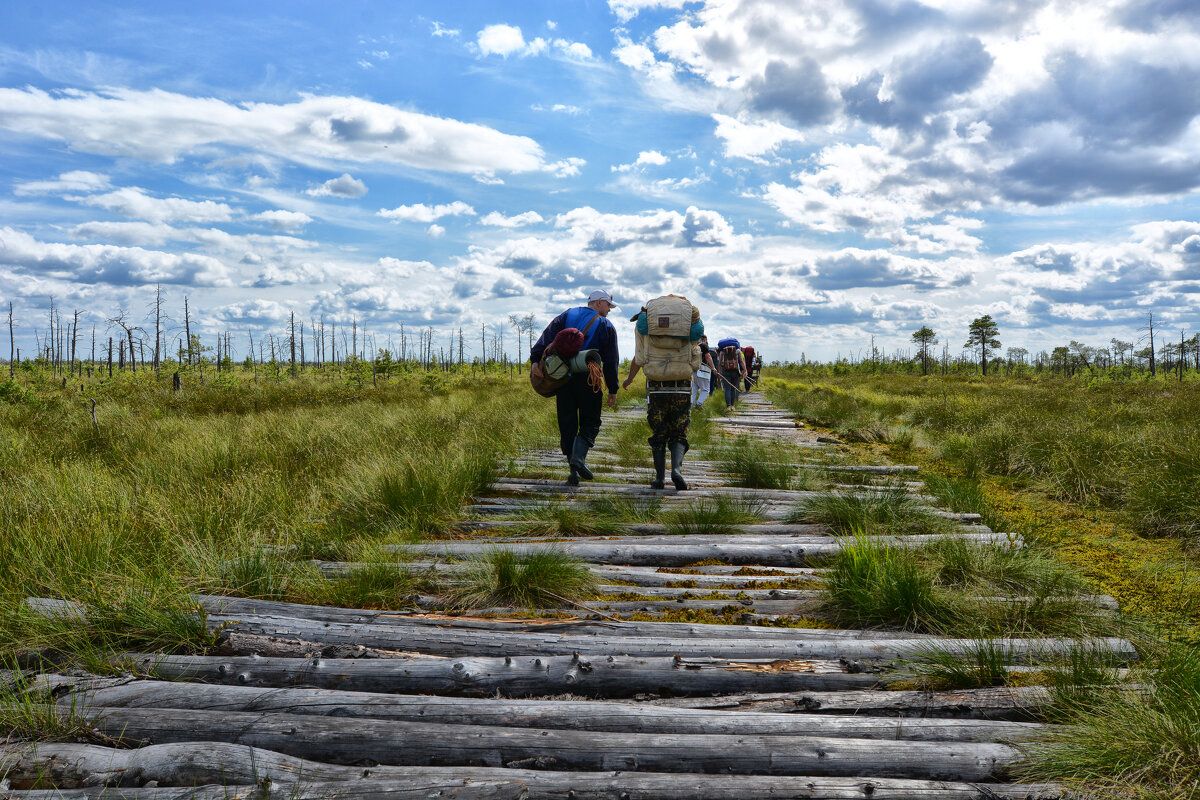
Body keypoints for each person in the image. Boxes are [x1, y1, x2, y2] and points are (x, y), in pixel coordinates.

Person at [529, 290, 620, 485]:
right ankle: (579, 459)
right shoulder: (605, 325)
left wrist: (535, 360)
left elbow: (545, 338)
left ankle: (573, 470)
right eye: (608, 306)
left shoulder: (566, 315)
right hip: (590, 379)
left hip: (563, 378)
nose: (609, 310)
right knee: (591, 422)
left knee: (567, 422)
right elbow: (611, 360)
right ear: (598, 303)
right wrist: (613, 388)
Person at [622, 295, 702, 490]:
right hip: (682, 387)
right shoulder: (686, 326)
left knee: (659, 432)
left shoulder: (645, 327)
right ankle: (677, 470)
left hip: (657, 388)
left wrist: (629, 379)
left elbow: (639, 359)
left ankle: (659, 478)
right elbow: (695, 361)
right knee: (679, 431)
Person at [716, 340, 747, 411]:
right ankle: (733, 406)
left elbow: (720, 364)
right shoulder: (738, 351)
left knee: (727, 389)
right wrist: (744, 371)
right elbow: (741, 362)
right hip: (735, 372)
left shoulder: (722, 352)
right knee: (733, 388)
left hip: (725, 371)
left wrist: (720, 373)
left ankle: (728, 406)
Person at [691, 334, 716, 408]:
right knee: (705, 390)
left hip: (693, 370)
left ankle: (691, 406)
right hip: (703, 370)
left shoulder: (692, 346)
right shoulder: (704, 346)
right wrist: (713, 368)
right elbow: (708, 357)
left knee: (694, 390)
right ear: (704, 339)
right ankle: (699, 404)